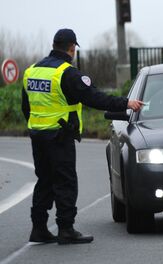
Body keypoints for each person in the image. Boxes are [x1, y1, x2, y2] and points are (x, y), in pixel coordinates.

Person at [22, 29, 144, 244]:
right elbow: (94, 98)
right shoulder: (66, 73)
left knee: (45, 181)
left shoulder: (32, 71)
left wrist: (36, 127)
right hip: (59, 136)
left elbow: (26, 106)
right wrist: (125, 103)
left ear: (53, 44)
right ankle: (66, 229)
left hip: (38, 136)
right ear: (72, 48)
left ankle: (39, 228)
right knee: (65, 182)